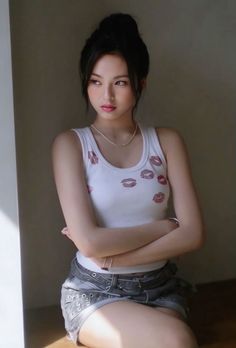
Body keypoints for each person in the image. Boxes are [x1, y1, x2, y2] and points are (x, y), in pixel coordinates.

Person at [52, 13, 204, 348]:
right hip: (94, 291)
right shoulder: (71, 145)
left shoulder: (167, 141)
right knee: (177, 342)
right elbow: (90, 244)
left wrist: (113, 257)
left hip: (162, 287)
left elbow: (193, 235)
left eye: (120, 82)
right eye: (95, 81)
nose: (106, 95)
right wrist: (165, 227)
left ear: (140, 84)